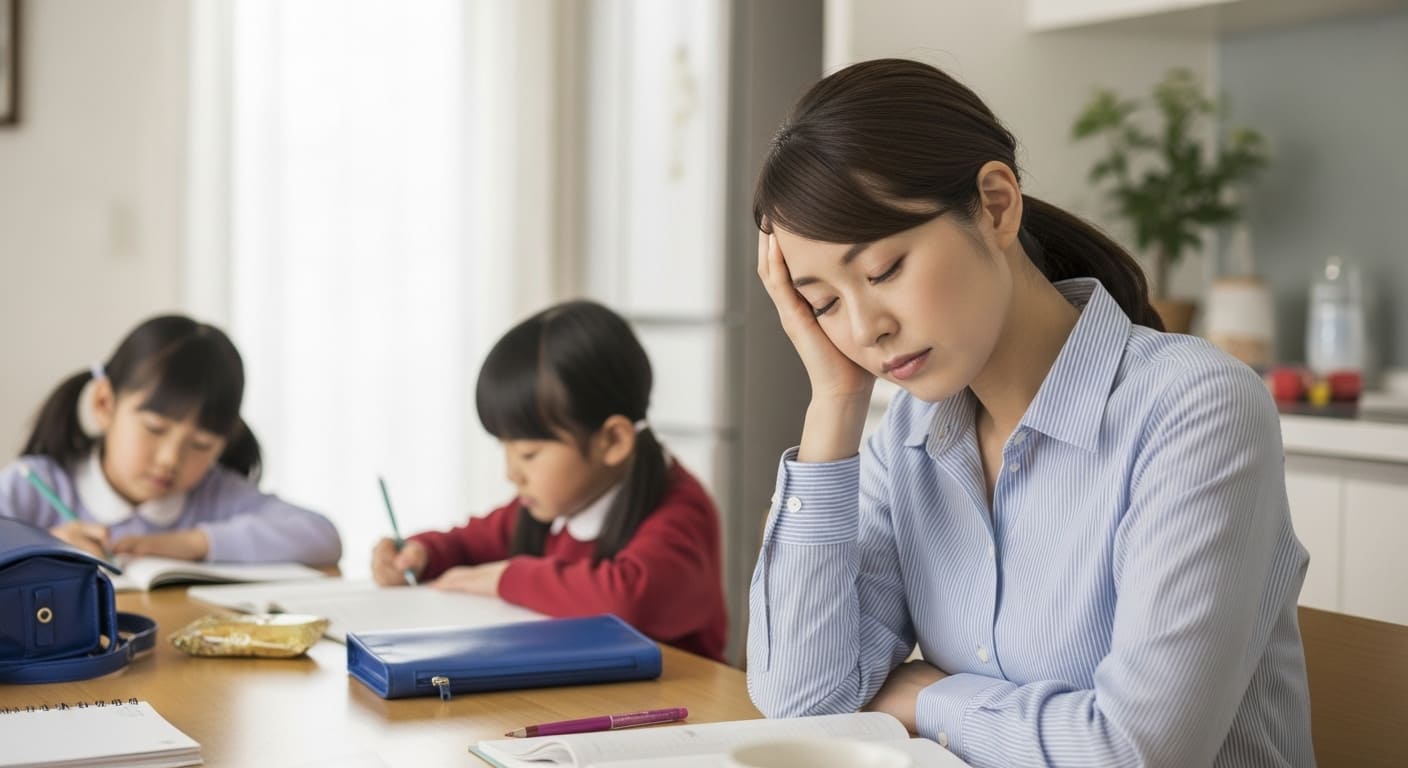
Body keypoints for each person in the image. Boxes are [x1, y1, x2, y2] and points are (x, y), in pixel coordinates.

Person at [746, 58, 1312, 767]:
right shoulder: (909, 437)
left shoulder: (1194, 408)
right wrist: (835, 402)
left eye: (884, 270)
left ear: (995, 206)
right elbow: (803, 699)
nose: (865, 329)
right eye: (825, 303)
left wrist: (927, 699)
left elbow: (1132, 753)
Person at [370, 300, 728, 662]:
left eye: (528, 454)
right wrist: (421, 554)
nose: (512, 473)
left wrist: (506, 579)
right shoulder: (551, 505)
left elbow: (628, 600)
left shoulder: (681, 511)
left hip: (682, 695)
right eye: (505, 449)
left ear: (613, 441)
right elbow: (469, 543)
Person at [0, 315, 342, 565]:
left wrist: (194, 544)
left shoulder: (213, 494)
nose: (170, 459)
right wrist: (44, 548)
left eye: (201, 445)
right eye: (155, 428)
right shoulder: (34, 485)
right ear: (105, 403)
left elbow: (321, 536)